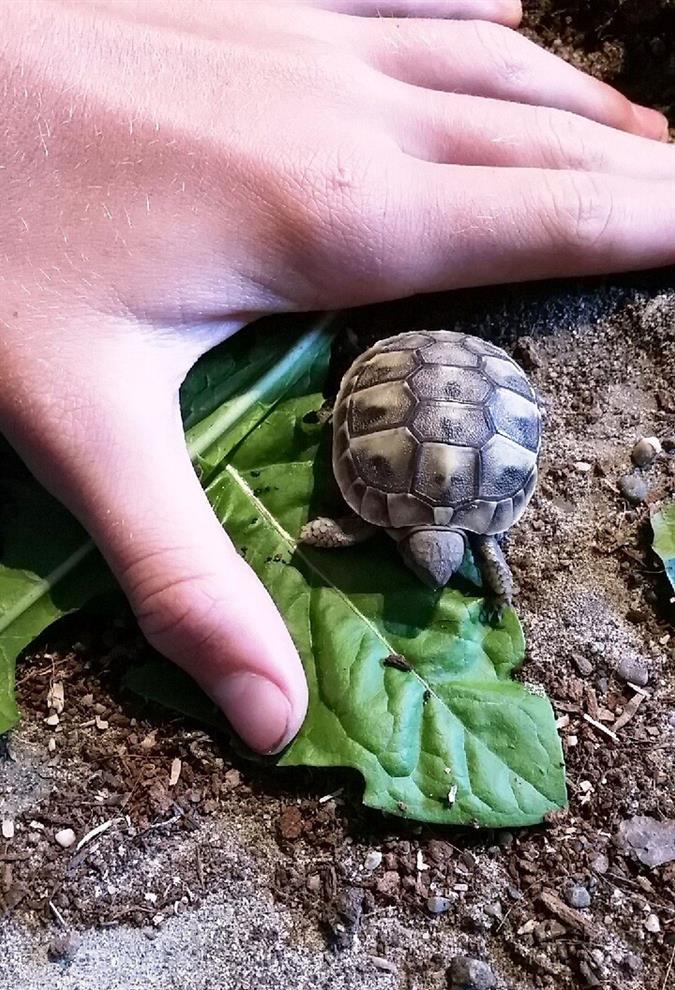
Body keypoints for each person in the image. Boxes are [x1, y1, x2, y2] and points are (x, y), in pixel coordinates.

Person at [0, 0, 671, 753]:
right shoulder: (436, 523)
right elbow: (353, 522)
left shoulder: (427, 527)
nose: (431, 573)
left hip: (425, 381)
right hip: (448, 381)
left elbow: (356, 521)